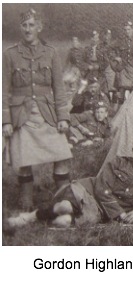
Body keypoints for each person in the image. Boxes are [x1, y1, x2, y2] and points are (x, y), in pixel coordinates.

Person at [7, 131, 133, 228]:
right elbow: (102, 189)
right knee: (65, 207)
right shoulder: (119, 162)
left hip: (100, 211)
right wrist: (120, 215)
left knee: (64, 222)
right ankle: (30, 217)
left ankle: (46, 221)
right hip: (88, 191)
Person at [2, 9, 72, 211]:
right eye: (24, 25)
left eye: (32, 25)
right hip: (21, 116)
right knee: (24, 159)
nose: (27, 29)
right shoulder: (10, 54)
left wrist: (63, 117)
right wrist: (6, 120)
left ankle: (64, 197)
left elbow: (59, 88)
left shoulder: (50, 53)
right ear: (20, 28)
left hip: (47, 115)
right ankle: (26, 199)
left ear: (39, 28)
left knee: (61, 154)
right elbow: (3, 91)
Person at [111, 21, 133, 113]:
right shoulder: (121, 40)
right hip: (123, 68)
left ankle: (132, 111)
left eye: (129, 29)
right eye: (125, 29)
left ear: (132, 30)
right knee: (121, 90)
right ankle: (120, 112)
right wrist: (116, 57)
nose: (127, 31)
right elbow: (109, 48)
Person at [98, 29, 117, 95]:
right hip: (102, 68)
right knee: (102, 88)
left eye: (108, 35)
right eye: (105, 35)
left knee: (111, 88)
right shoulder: (100, 46)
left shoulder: (114, 45)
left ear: (110, 36)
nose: (106, 37)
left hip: (111, 67)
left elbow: (116, 56)